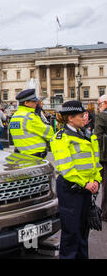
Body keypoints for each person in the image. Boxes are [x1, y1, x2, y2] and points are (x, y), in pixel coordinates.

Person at [50, 100, 102, 259]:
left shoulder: (88, 135)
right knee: (71, 233)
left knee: (83, 232)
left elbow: (96, 164)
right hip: (71, 190)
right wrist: (86, 184)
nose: (85, 117)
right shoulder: (60, 138)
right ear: (70, 118)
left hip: (87, 189)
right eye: (81, 115)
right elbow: (67, 168)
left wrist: (96, 181)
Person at [9, 89, 54, 158]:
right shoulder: (30, 117)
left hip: (22, 154)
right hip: (35, 156)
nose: (36, 103)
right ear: (26, 103)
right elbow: (49, 133)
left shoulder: (15, 116)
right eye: (34, 101)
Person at [94, 94, 107, 221]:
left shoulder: (102, 116)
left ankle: (105, 213)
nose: (98, 107)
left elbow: (97, 136)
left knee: (104, 185)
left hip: (104, 156)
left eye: (100, 104)